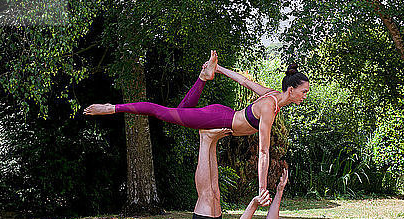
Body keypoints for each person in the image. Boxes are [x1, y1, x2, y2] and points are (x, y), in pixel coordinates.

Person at [84, 51, 311, 195]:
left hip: (223, 115)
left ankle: (204, 77)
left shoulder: (272, 97)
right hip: (219, 118)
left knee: (180, 112)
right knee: (161, 112)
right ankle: (111, 107)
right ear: (291, 90)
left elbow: (244, 80)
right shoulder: (269, 107)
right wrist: (262, 189)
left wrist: (219, 68)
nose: (305, 95)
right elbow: (263, 151)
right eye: (304, 91)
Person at [185, 128, 313, 219]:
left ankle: (205, 140)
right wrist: (280, 191)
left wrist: (253, 204)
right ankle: (212, 142)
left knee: (206, 196)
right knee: (215, 193)